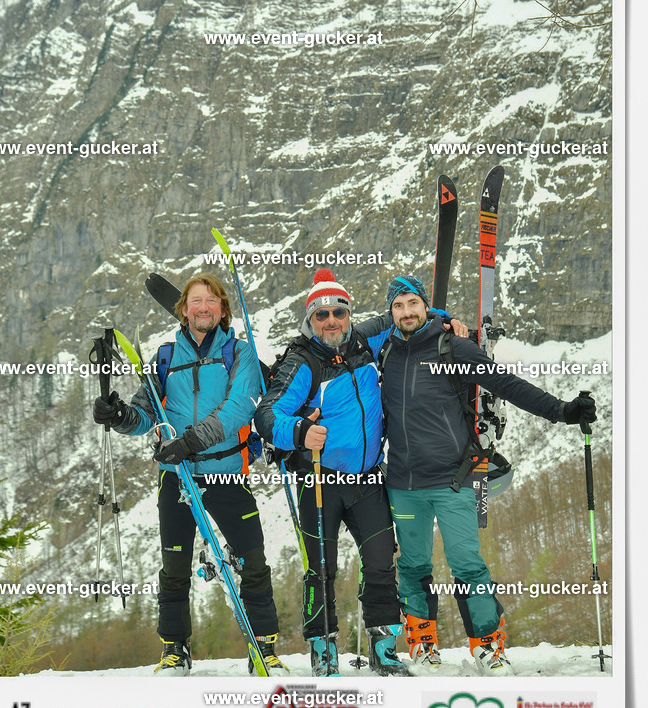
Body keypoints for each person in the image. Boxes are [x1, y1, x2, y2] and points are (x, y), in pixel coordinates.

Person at [376, 274, 597, 676]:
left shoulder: (453, 347)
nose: (406, 312)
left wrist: (561, 411)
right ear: (390, 312)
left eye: (413, 303)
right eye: (398, 306)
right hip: (403, 484)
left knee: (467, 564)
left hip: (454, 479)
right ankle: (423, 644)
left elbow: (506, 383)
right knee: (412, 565)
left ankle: (488, 646)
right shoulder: (384, 350)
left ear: (425, 306)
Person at [93, 272, 287, 677]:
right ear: (183, 309)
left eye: (212, 301)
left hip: (225, 472)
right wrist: (120, 416)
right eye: (196, 300)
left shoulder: (240, 353)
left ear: (222, 310)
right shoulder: (164, 358)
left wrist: (191, 441)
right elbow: (146, 414)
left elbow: (238, 408)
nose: (203, 307)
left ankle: (264, 647)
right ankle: (174, 649)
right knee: (175, 566)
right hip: (175, 475)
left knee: (252, 559)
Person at [255, 269, 411, 678]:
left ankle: (383, 646)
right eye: (321, 315)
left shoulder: (365, 339)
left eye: (338, 313)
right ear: (310, 320)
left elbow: (407, 314)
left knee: (380, 562)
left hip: (367, 479)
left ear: (348, 315)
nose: (331, 321)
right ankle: (323, 649)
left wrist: (448, 321)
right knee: (320, 569)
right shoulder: (302, 361)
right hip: (319, 480)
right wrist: (300, 431)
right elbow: (267, 415)